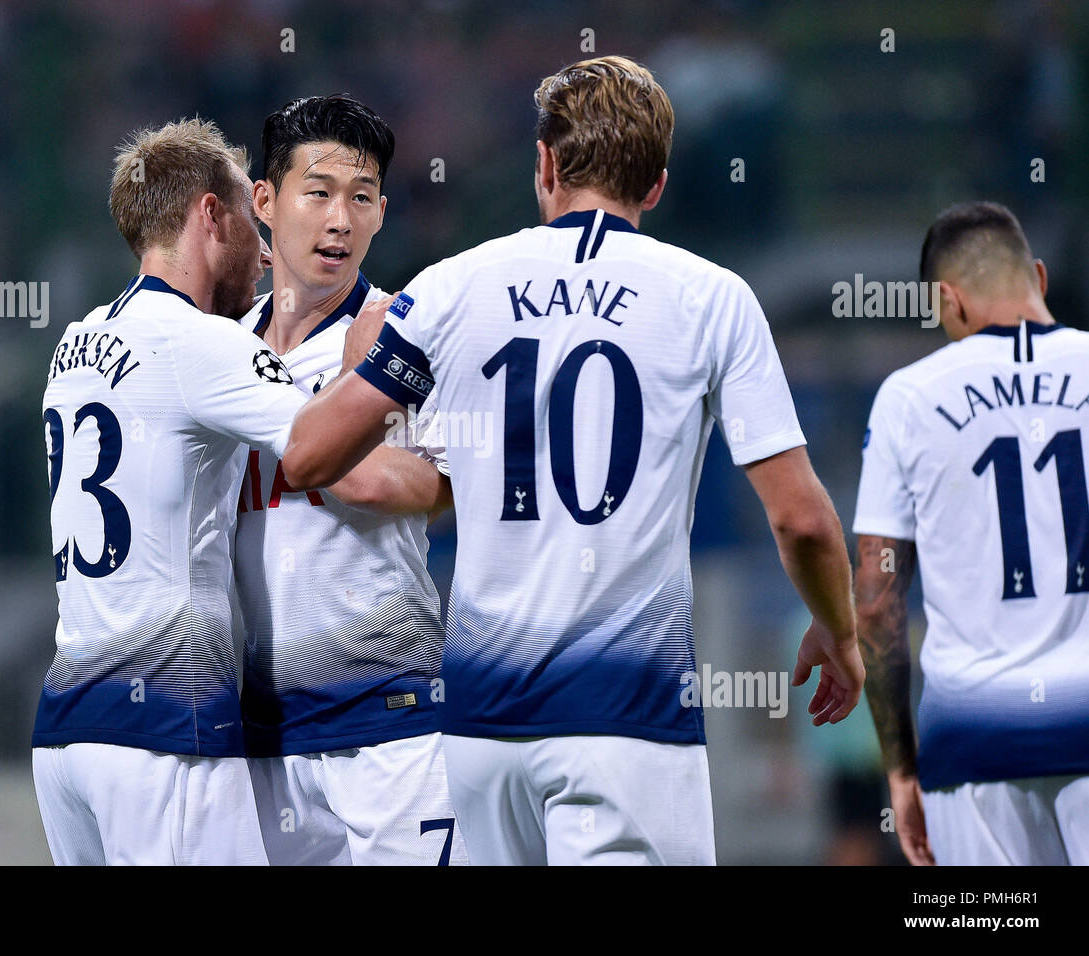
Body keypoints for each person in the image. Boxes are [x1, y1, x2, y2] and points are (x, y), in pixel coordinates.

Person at [279, 56, 863, 865]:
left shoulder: (449, 289)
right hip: (626, 725)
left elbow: (307, 455)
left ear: (545, 163)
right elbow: (800, 520)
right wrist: (839, 631)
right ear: (656, 185)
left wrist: (357, 367)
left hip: (482, 732)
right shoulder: (711, 297)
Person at [31, 117, 308, 864]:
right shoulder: (205, 344)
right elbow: (322, 446)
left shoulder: (73, 344)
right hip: (162, 730)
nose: (265, 252)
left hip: (65, 732)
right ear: (210, 216)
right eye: (253, 222)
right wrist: (385, 368)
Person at [234, 94, 464, 864]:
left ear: (381, 212)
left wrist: (334, 430)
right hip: (259, 731)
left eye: (360, 199)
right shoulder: (219, 350)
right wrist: (340, 410)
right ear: (265, 201)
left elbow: (434, 487)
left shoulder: (407, 337)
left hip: (388, 716)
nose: (340, 220)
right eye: (320, 193)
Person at [854, 201, 1089, 865]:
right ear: (1038, 278)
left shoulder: (909, 398)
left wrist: (901, 769)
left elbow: (876, 596)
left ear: (948, 302)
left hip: (974, 740)